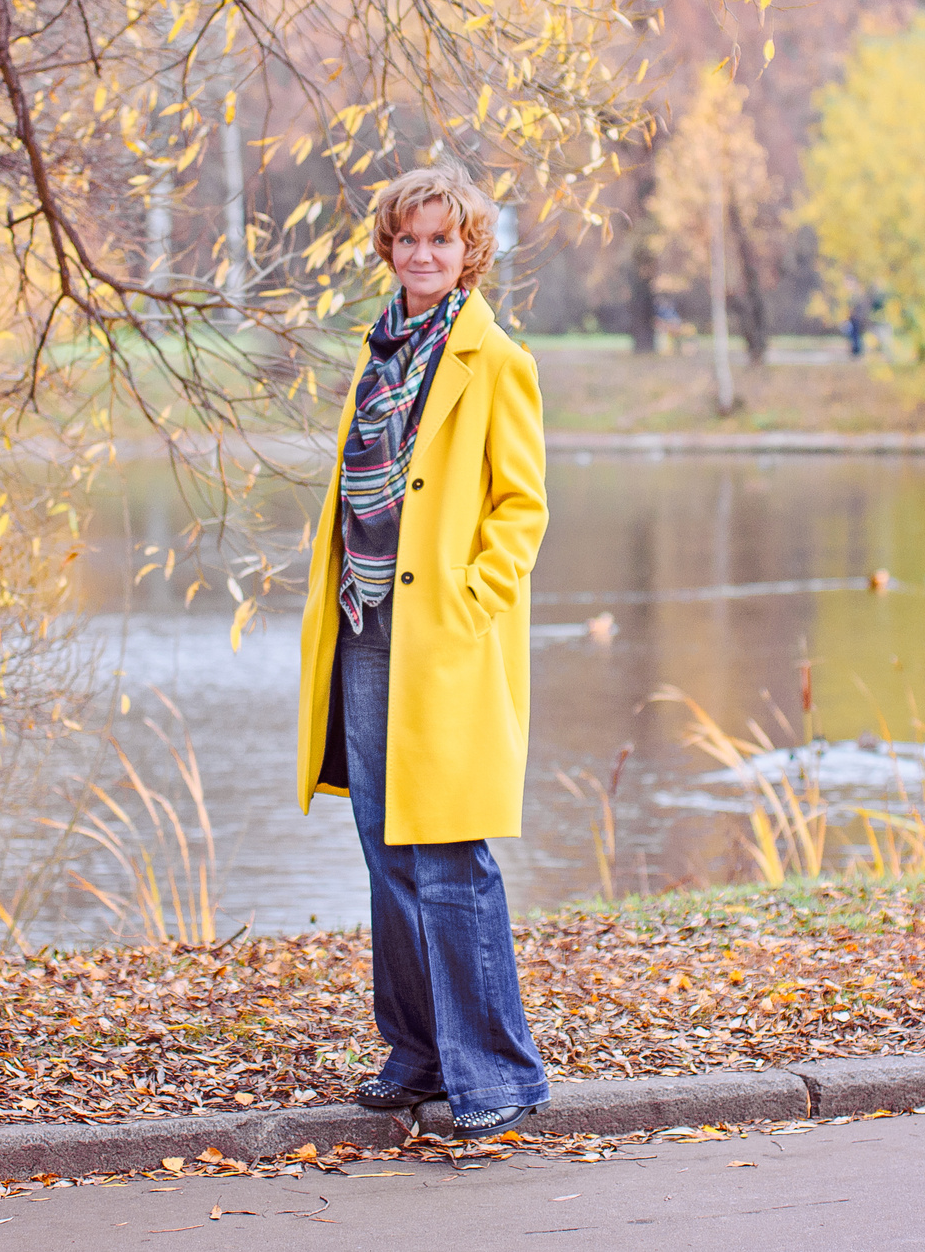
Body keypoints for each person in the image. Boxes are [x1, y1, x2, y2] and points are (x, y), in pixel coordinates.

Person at [293, 163, 550, 1139]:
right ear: (389, 248)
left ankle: (496, 1073)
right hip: (365, 627)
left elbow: (520, 507)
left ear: (469, 249)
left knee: (448, 855)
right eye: (409, 238)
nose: (425, 253)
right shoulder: (379, 353)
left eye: (442, 238)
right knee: (385, 852)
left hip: (440, 634)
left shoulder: (496, 361)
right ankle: (417, 1053)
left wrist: (467, 601)